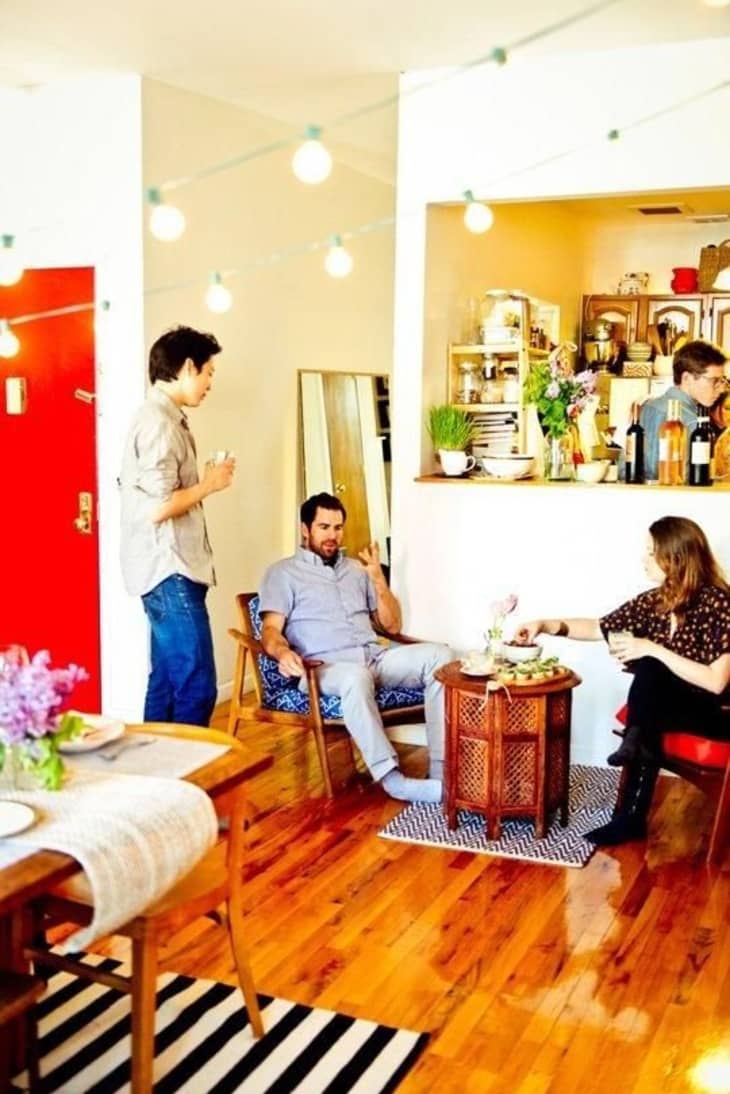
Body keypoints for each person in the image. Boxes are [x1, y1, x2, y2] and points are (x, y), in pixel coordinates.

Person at [516, 516, 730, 847]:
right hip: (670, 708)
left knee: (650, 667)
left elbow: (716, 682)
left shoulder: (718, 603)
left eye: (651, 552)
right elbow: (599, 627)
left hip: (716, 714)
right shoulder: (658, 601)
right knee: (650, 676)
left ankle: (632, 770)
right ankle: (632, 779)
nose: (644, 559)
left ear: (675, 557)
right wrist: (545, 624)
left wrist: (652, 648)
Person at [259, 492, 453, 803]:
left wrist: (378, 580)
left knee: (441, 657)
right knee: (354, 677)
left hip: (373, 659)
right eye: (324, 527)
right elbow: (270, 630)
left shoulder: (356, 570)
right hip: (324, 670)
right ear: (305, 529)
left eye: (338, 528)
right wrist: (282, 652)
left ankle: (442, 774)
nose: (332, 536)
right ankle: (394, 781)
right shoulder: (282, 574)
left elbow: (392, 626)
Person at [119, 326, 235, 725]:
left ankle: (156, 763)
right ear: (188, 367)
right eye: (208, 372)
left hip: (164, 567)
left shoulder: (160, 418)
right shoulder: (160, 424)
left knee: (167, 682)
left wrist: (202, 483)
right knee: (197, 685)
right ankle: (188, 764)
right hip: (169, 569)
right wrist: (209, 484)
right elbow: (157, 507)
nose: (210, 383)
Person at [639, 340, 727, 480]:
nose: (721, 389)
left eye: (722, 381)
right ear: (686, 378)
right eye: (714, 381)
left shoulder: (649, 406)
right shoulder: (692, 422)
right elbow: (689, 480)